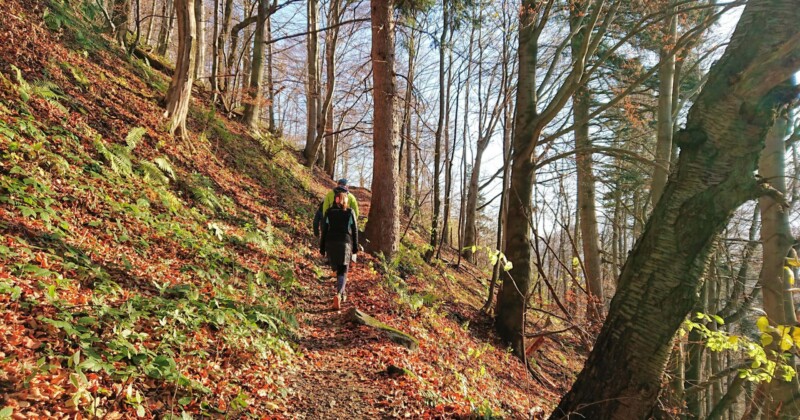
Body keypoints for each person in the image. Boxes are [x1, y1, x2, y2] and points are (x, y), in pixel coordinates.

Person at [320, 191, 358, 310]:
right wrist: (355, 247)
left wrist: (322, 247)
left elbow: (324, 230)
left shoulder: (329, 212)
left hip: (331, 243)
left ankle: (342, 292)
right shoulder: (350, 212)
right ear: (346, 201)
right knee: (343, 270)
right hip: (345, 243)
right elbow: (354, 230)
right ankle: (339, 294)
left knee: (337, 269)